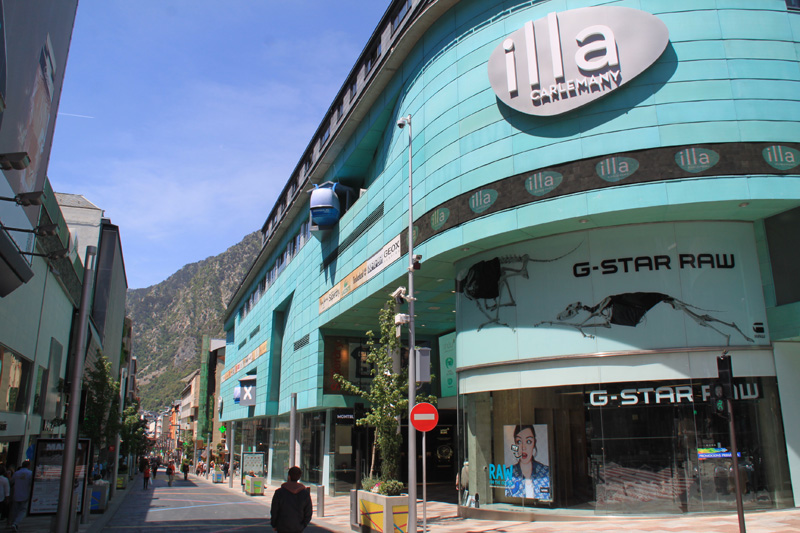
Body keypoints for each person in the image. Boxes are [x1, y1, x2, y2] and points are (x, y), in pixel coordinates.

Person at [504, 425, 551, 500]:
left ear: (534, 443)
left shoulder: (546, 472)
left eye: (528, 441)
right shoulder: (507, 473)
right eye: (519, 442)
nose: (523, 447)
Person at [270, 466, 312, 533]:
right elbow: (308, 512)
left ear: (289, 476)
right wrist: (303, 525)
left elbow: (274, 510)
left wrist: (274, 524)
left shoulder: (279, 492)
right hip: (298, 527)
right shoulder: (305, 493)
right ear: (299, 477)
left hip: (282, 526)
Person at [10, 460, 32, 531]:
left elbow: (11, 481)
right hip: (25, 493)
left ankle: (14, 522)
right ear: (28, 466)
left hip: (16, 493)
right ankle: (15, 523)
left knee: (15, 510)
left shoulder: (16, 473)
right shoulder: (30, 473)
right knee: (23, 510)